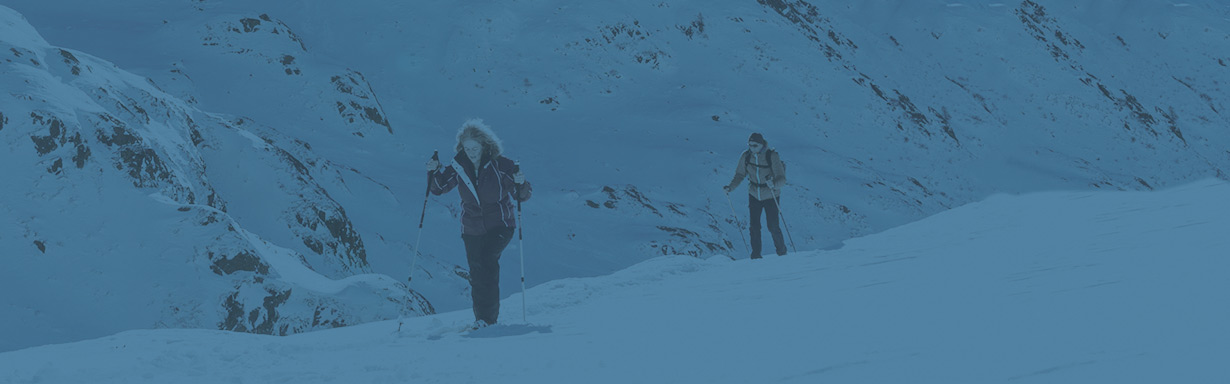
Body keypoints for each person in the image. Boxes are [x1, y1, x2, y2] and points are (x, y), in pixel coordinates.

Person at [426, 119, 532, 328]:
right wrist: (434, 171)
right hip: (472, 228)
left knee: (486, 263)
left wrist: (521, 183)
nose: (471, 153)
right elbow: (439, 188)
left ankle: (487, 320)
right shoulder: (459, 166)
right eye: (467, 149)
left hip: (501, 224)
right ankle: (481, 319)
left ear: (484, 145)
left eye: (475, 148)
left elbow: (521, 195)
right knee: (477, 272)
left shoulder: (502, 166)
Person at [723, 133, 787, 259]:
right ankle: (756, 255)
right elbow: (740, 175)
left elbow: (782, 178)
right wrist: (730, 187)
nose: (752, 148)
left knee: (773, 226)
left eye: (755, 145)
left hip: (771, 195)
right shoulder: (746, 156)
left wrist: (773, 184)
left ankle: (782, 252)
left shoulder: (772, 156)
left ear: (762, 144)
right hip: (754, 194)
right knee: (754, 227)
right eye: (750, 145)